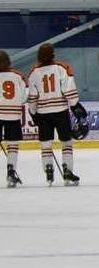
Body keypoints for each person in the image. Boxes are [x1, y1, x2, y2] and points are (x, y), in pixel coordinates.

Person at [27, 43, 84, 186]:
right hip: (60, 112)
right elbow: (69, 90)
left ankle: (49, 170)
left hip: (43, 113)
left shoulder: (34, 72)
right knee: (66, 142)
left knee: (46, 144)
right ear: (53, 54)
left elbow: (32, 97)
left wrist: (33, 112)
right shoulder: (61, 68)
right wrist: (75, 104)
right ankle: (67, 171)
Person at [0, 51, 27, 187]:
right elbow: (24, 96)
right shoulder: (18, 76)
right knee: (13, 144)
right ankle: (11, 171)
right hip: (13, 114)